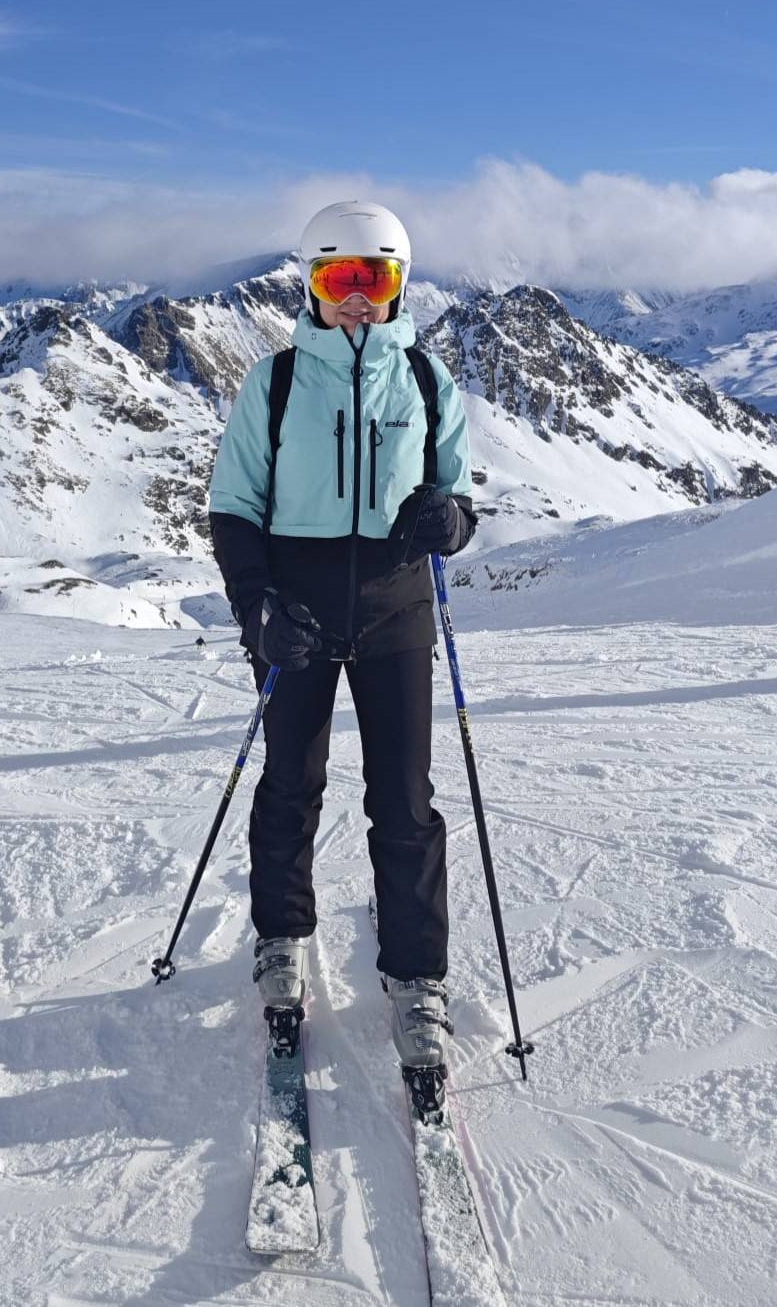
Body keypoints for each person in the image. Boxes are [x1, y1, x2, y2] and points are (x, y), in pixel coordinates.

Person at [208, 201, 477, 1086]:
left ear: (399, 287)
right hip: (297, 604)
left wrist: (452, 517)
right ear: (311, 286)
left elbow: (458, 497)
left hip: (397, 610)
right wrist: (255, 607)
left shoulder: (430, 383)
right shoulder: (275, 383)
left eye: (375, 279)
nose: (356, 301)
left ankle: (416, 977)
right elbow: (234, 507)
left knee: (404, 798)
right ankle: (282, 939)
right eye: (338, 279)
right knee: (290, 780)